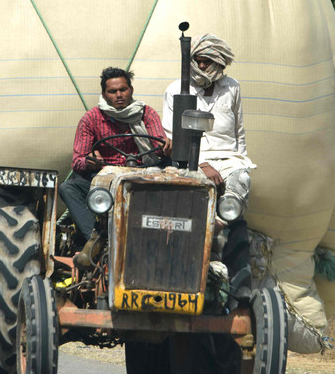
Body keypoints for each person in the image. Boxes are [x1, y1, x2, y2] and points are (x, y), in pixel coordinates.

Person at [162, 34, 254, 307]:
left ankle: (223, 225)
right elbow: (171, 134)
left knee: (240, 181)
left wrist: (241, 161)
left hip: (229, 159)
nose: (202, 67)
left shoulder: (232, 88)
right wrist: (201, 163)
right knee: (195, 189)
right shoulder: (176, 89)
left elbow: (239, 132)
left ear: (219, 64)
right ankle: (210, 231)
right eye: (198, 61)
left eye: (208, 62)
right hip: (191, 160)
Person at [60, 67, 171, 268]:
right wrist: (90, 160)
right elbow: (77, 161)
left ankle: (167, 238)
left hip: (142, 177)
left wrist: (165, 146)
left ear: (131, 90)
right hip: (105, 182)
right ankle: (97, 239)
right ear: (104, 94)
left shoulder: (146, 114)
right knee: (69, 188)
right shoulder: (91, 119)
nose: (119, 95)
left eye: (123, 89)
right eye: (113, 91)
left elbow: (159, 145)